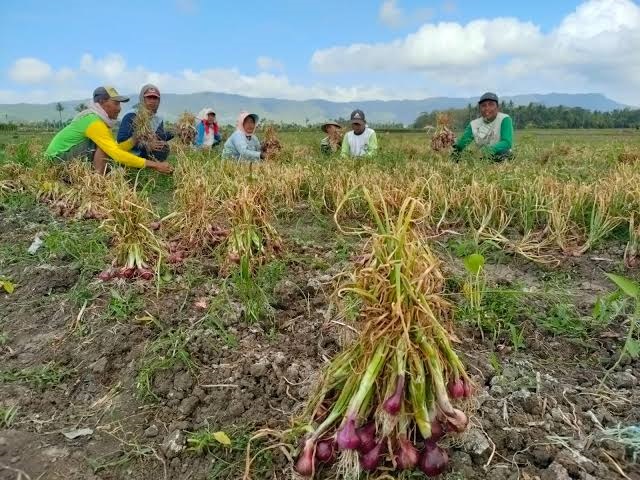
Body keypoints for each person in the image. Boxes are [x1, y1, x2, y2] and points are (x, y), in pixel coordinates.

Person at [45, 86, 172, 175]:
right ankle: (98, 181)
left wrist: (134, 139)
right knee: (105, 148)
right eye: (116, 104)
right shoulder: (94, 122)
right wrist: (156, 165)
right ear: (102, 102)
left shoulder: (100, 121)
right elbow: (116, 153)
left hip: (61, 158)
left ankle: (96, 174)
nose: (119, 109)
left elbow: (116, 148)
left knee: (107, 149)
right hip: (57, 160)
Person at [117, 84, 173, 161]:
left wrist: (175, 132)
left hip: (145, 153)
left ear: (159, 101)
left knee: (163, 147)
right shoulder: (132, 115)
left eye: (155, 98)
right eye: (149, 97)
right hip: (131, 154)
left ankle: (153, 165)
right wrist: (146, 146)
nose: (152, 101)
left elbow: (160, 136)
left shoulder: (158, 118)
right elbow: (122, 140)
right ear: (142, 99)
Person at [452, 92, 514, 162]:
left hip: (499, 154)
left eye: (491, 104)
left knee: (505, 154)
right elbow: (461, 144)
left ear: (497, 107)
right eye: (483, 105)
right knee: (457, 154)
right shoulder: (474, 124)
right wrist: (451, 141)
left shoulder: (504, 119)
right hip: (481, 158)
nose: (487, 108)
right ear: (480, 108)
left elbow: (507, 142)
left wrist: (487, 150)